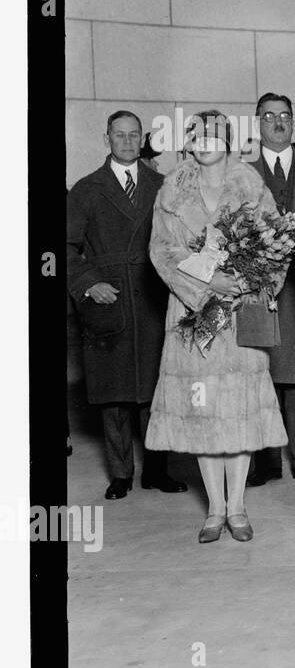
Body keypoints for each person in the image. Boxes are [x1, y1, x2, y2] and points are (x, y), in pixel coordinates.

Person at [146, 111, 287, 542]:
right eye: (197, 135)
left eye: (213, 134)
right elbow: (160, 250)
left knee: (239, 411)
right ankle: (214, 509)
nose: (205, 142)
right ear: (188, 143)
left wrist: (246, 281)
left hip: (241, 311)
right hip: (194, 316)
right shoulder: (172, 188)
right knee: (203, 411)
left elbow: (278, 245)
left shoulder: (251, 186)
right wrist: (207, 281)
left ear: (226, 141)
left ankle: (239, 508)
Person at [67, 109, 186, 500]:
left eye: (134, 135)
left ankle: (157, 470)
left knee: (156, 392)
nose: (128, 142)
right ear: (107, 139)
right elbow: (65, 249)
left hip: (154, 298)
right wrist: (89, 283)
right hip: (109, 299)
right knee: (114, 396)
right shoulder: (86, 189)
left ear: (142, 139)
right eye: (120, 135)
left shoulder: (162, 184)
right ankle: (120, 474)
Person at [247, 92, 295, 488]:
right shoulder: (241, 172)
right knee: (261, 374)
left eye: (284, 116)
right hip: (257, 287)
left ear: (293, 123)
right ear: (257, 122)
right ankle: (265, 461)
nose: (277, 122)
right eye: (269, 116)